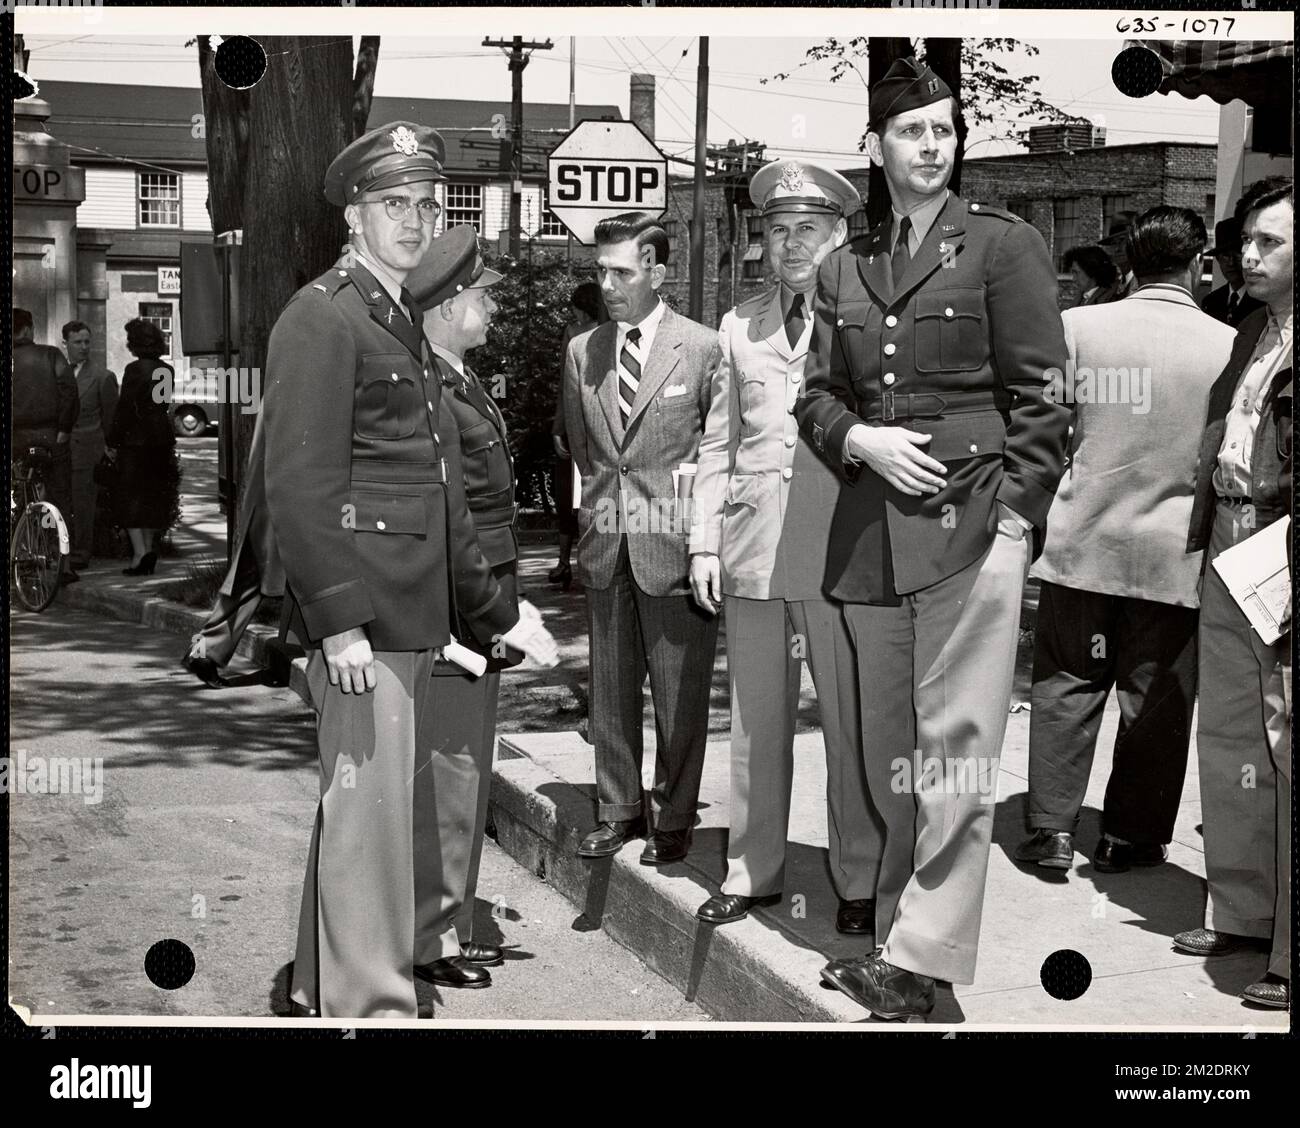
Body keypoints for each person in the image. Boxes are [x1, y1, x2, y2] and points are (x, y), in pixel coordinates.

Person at [797, 57, 1071, 1019]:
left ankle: (923, 963)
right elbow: (818, 394)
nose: (931, 146)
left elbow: (1044, 395)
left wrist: (1012, 520)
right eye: (912, 132)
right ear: (877, 148)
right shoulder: (846, 263)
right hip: (871, 541)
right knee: (886, 755)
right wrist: (856, 437)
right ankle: (895, 937)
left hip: (970, 536)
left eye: (945, 130)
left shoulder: (1003, 246)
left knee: (953, 758)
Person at [261, 121, 542, 1019]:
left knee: (367, 814)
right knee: (369, 820)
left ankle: (322, 983)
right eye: (395, 205)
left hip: (410, 611)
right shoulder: (324, 314)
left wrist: (489, 613)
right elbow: (300, 482)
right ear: (355, 215)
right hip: (367, 618)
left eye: (426, 205)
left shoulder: (396, 321)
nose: (416, 222)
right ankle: (369, 1003)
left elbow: (437, 492)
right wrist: (337, 618)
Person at [688, 159, 882, 933]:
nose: (792, 243)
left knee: (850, 722)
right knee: (754, 721)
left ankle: (859, 879)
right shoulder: (741, 325)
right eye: (778, 229)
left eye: (809, 228)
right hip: (753, 547)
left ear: (839, 235)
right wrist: (704, 542)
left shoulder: (870, 321)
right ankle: (753, 868)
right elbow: (718, 444)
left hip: (839, 552)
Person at [1014, 207, 1236, 874]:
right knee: (1155, 701)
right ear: (1198, 265)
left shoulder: (1077, 328)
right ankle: (1130, 836)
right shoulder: (1228, 344)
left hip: (1083, 545)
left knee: (1067, 684)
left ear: (1132, 262)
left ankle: (1051, 828)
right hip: (1176, 556)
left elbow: (1040, 434)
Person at [407, 223, 558, 990]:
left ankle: (449, 918)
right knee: (451, 768)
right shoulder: (430, 387)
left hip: (486, 594)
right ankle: (430, 936)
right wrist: (493, 614)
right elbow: (449, 518)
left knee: (466, 764)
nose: (490, 308)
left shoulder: (456, 377)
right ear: (443, 307)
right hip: (462, 603)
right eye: (480, 296)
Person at [563, 211, 723, 866]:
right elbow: (583, 450)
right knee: (610, 689)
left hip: (677, 550)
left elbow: (719, 454)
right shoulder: (583, 352)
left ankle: (674, 816)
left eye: (622, 271)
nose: (608, 284)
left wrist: (702, 538)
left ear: (657, 271)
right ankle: (618, 809)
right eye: (600, 271)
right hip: (606, 543)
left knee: (681, 696)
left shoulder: (704, 348)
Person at [1174, 176, 1293, 1011]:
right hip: (1229, 540)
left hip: (1284, 547)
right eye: (1246, 242)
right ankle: (1243, 910)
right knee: (1230, 734)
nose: (1246, 256)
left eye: (1269, 244)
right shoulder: (1251, 327)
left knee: (1287, 740)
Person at [11, 307, 79, 582]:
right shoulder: (51, 355)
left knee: (19, 496)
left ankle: (22, 554)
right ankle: (64, 564)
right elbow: (69, 393)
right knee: (61, 497)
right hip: (51, 436)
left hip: (16, 438)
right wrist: (64, 428)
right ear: (28, 329)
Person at [106, 318, 177, 577]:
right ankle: (148, 551)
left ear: (135, 344)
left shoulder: (134, 369)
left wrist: (112, 440)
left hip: (135, 441)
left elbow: (125, 408)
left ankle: (139, 555)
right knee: (152, 496)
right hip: (160, 439)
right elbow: (163, 405)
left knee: (130, 497)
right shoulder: (166, 370)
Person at [550, 282, 607, 591]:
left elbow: (566, 387)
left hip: (578, 425)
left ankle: (564, 563)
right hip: (603, 427)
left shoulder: (573, 335)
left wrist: (559, 427)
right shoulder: (615, 330)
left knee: (569, 495)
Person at [62, 320, 118, 571]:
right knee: (59, 502)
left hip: (87, 450)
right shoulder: (57, 371)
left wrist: (108, 449)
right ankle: (59, 550)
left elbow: (109, 419)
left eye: (87, 342)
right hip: (60, 450)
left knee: (84, 504)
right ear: (66, 344)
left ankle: (81, 553)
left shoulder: (102, 377)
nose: (84, 347)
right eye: (77, 342)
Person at [1200, 216, 1265, 328]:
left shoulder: (1264, 300)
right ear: (1218, 259)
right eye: (1225, 256)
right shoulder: (1211, 302)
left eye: (1237, 253)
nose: (1231, 262)